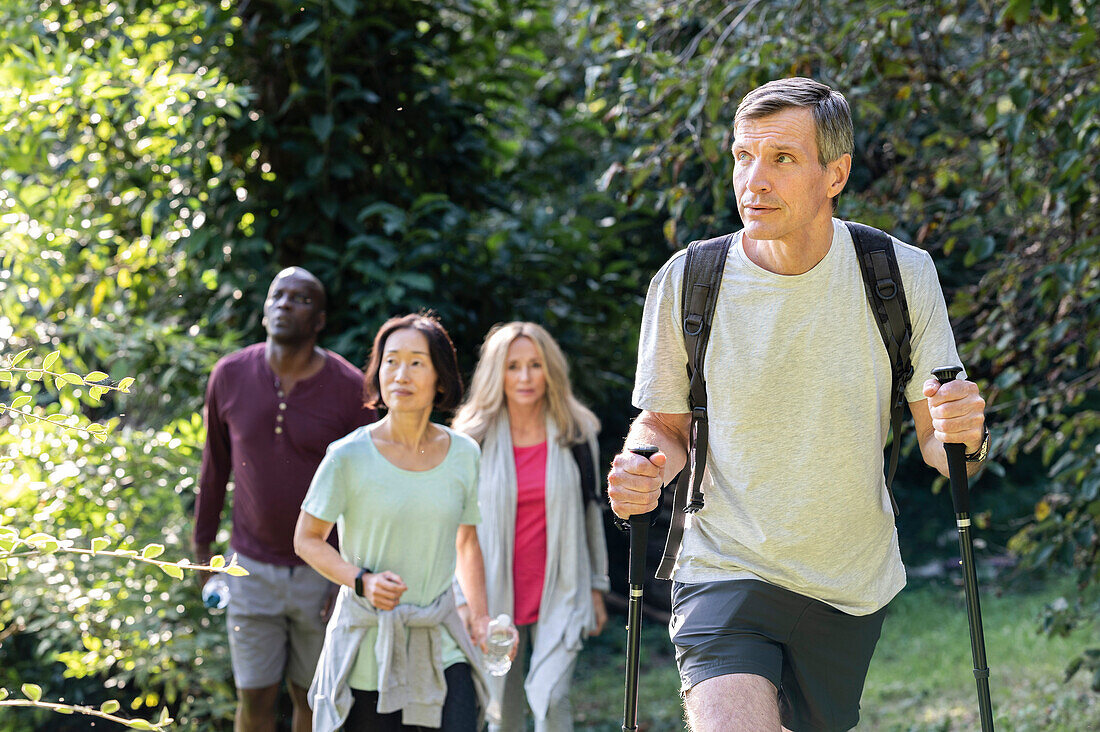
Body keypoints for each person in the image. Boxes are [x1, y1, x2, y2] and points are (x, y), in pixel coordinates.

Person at [606, 77, 990, 732]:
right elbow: (665, 427)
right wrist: (643, 462)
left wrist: (963, 433)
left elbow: (940, 443)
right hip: (723, 568)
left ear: (834, 173)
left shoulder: (898, 274)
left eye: (781, 158)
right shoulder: (688, 282)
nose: (753, 180)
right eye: (742, 156)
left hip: (845, 586)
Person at [192, 266, 376, 732]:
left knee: (312, 696)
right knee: (253, 695)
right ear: (263, 308)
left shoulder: (350, 389)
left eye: (300, 299)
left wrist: (345, 580)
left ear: (319, 320)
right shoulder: (230, 375)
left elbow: (363, 494)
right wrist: (202, 553)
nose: (284, 304)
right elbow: (214, 468)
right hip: (248, 566)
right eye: (277, 295)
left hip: (321, 570)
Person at [294, 312, 491, 732]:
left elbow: (467, 542)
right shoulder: (346, 456)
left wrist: (479, 616)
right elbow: (306, 539)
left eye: (417, 362)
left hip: (442, 642)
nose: (401, 373)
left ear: (440, 377)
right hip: (369, 648)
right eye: (391, 360)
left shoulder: (464, 454)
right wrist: (360, 579)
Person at [452, 322, 610, 732]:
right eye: (513, 366)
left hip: (562, 587)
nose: (525, 377)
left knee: (552, 698)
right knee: (502, 711)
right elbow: (457, 530)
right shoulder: (471, 440)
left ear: (550, 370)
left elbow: (591, 510)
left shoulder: (577, 432)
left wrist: (596, 585)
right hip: (493, 595)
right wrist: (466, 604)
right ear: (495, 373)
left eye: (535, 365)